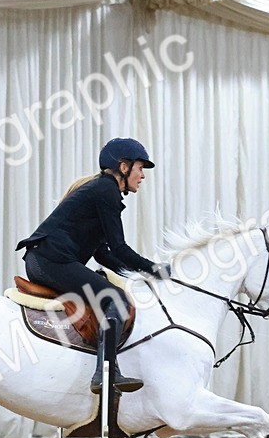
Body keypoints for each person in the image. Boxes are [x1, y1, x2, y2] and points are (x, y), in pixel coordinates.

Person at [16, 137, 166, 394]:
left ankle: (104, 369)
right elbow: (119, 247)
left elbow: (103, 255)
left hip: (44, 261)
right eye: (140, 168)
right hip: (51, 261)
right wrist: (155, 269)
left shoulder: (102, 192)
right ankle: (105, 373)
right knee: (116, 300)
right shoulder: (106, 190)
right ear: (123, 167)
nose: (142, 176)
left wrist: (135, 275)